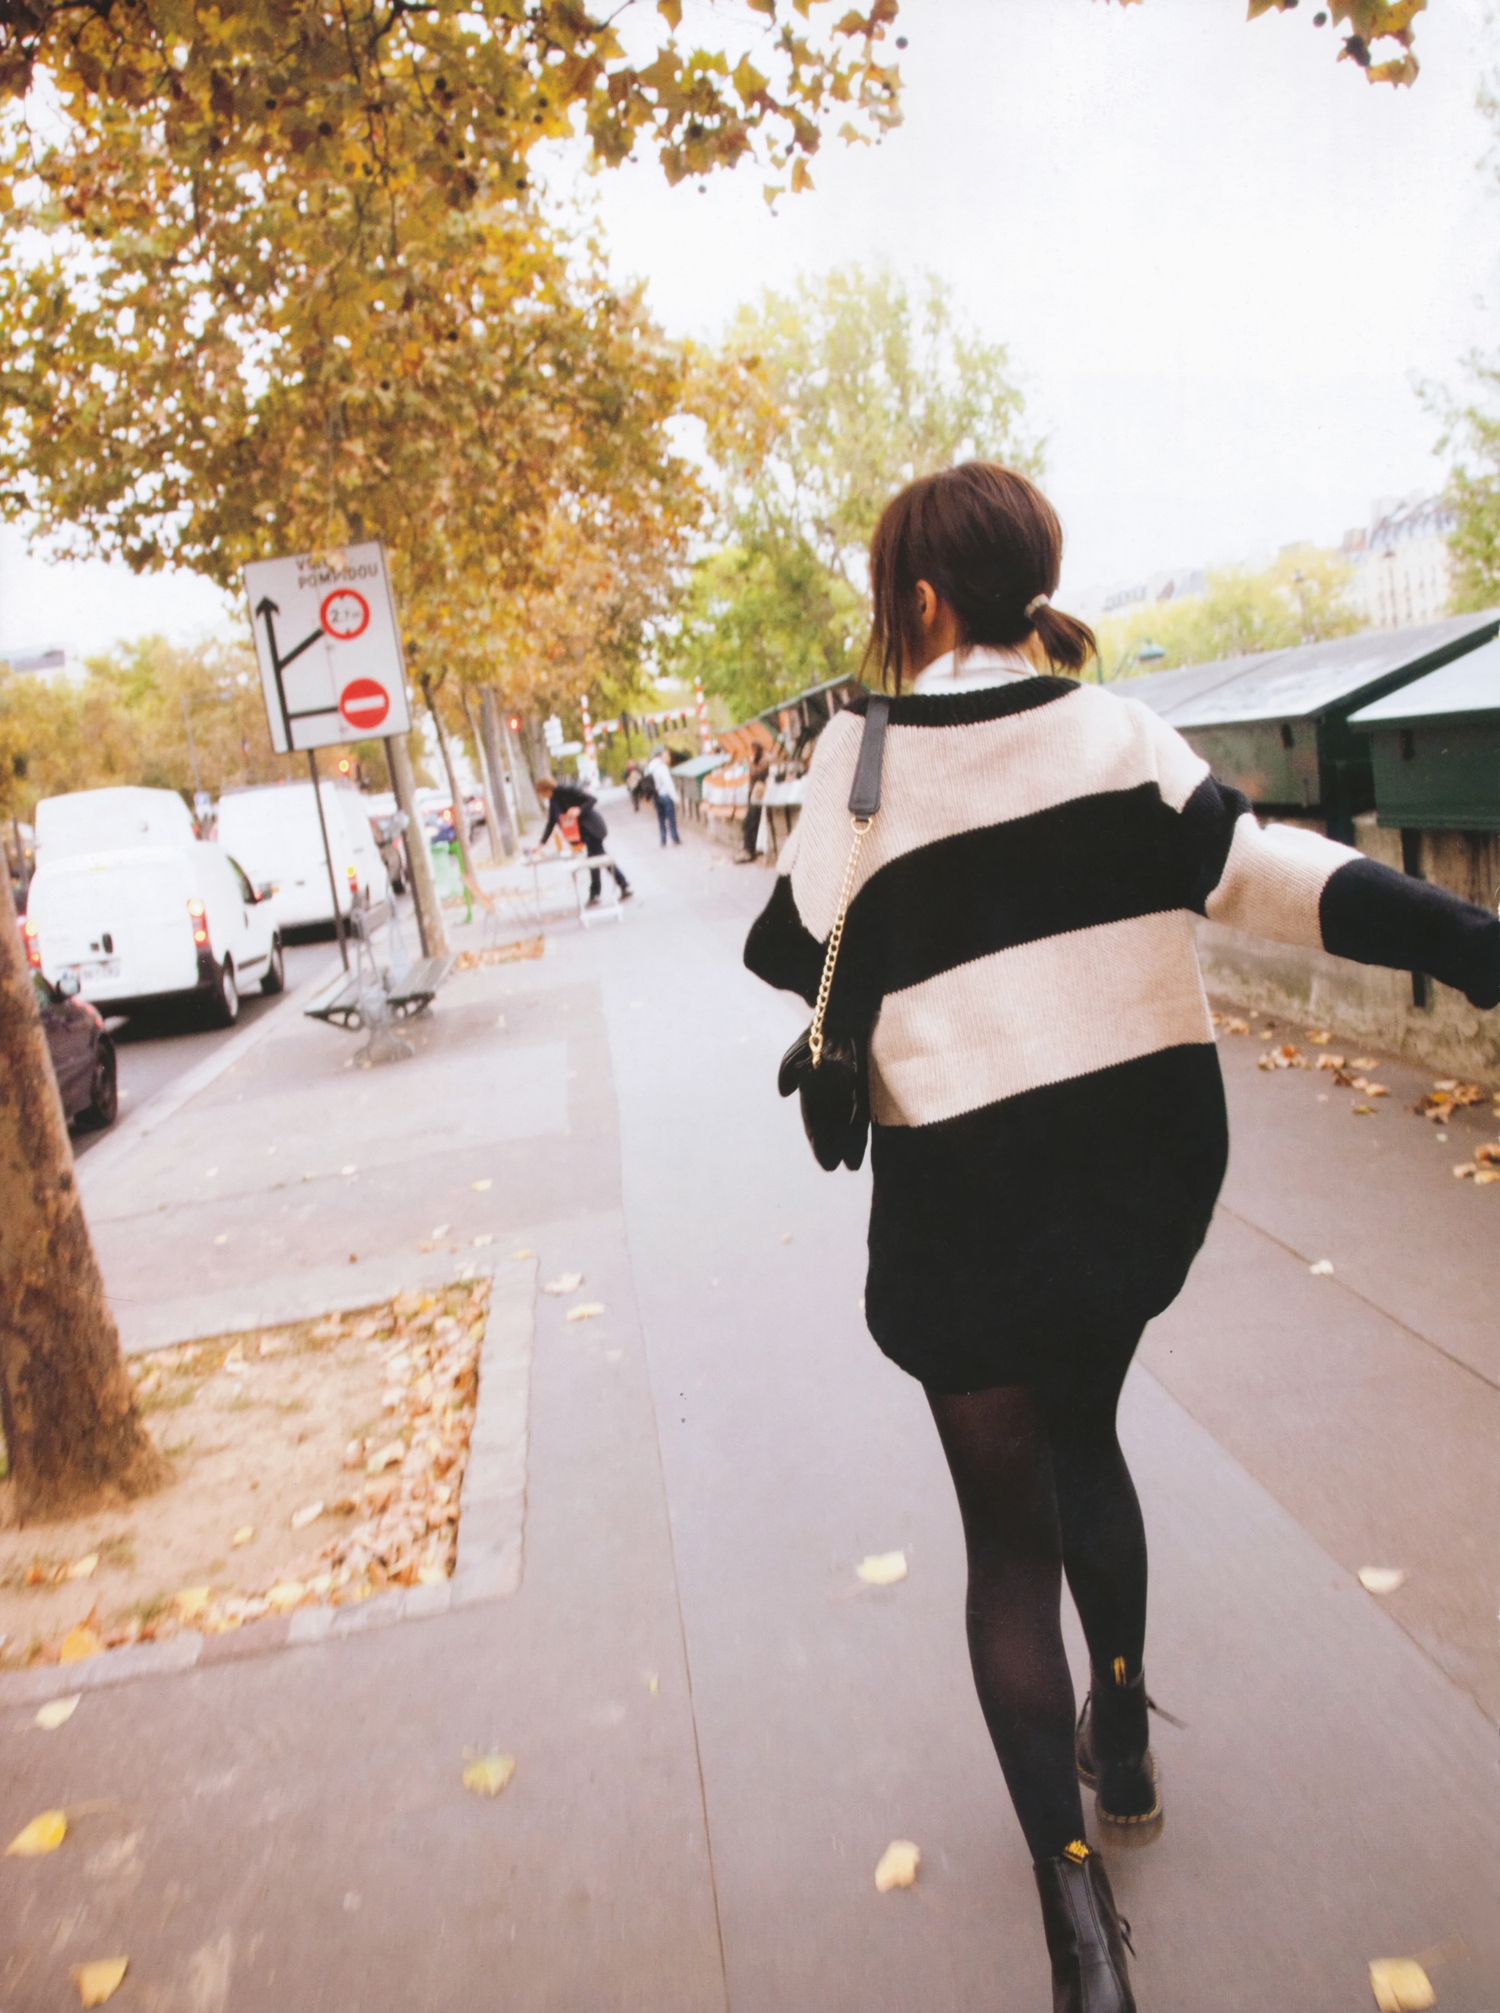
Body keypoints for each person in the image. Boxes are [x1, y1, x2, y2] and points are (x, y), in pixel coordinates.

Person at [743, 461, 1500, 2013]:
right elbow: (1269, 876)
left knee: (1006, 1543)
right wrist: (1472, 943)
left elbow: (791, 951)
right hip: (1125, 1186)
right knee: (1090, 1437)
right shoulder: (1117, 732)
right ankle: (1132, 1732)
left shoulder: (858, 762)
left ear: (921, 598)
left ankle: (1078, 1926)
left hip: (964, 1204)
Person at [530, 775, 632, 907]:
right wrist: (541, 844)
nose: (543, 796)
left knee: (596, 860)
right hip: (585, 834)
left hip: (593, 828)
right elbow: (551, 823)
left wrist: (579, 809)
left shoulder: (566, 790)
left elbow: (591, 799)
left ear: (546, 789)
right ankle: (619, 887)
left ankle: (602, 892)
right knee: (597, 860)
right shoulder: (553, 801)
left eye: (542, 793)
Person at [737, 741, 773, 863]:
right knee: (748, 822)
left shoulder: (764, 760)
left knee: (752, 821)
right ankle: (748, 848)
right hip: (754, 793)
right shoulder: (756, 760)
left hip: (759, 793)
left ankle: (750, 850)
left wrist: (751, 763)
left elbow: (756, 773)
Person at [645, 748, 681, 847]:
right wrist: (676, 799)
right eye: (665, 755)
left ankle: (663, 839)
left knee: (661, 819)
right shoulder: (662, 767)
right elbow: (668, 784)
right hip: (665, 795)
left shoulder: (649, 767)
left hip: (655, 796)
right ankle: (675, 837)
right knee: (671, 818)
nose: (667, 757)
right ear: (660, 756)